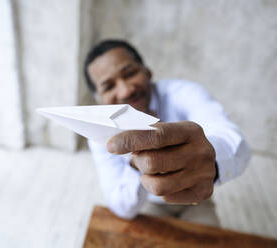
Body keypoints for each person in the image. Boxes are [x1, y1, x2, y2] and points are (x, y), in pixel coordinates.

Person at [84, 39, 250, 225]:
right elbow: (121, 206)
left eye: (130, 73)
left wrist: (211, 161)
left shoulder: (183, 93)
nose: (125, 91)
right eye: (109, 86)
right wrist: (136, 162)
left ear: (147, 71)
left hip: (197, 197)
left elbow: (236, 144)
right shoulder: (98, 133)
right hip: (148, 202)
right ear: (99, 99)